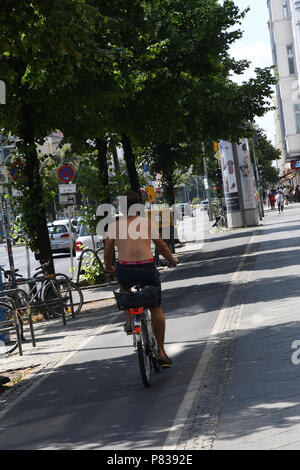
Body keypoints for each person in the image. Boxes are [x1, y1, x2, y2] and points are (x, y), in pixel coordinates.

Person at [104, 191, 178, 368]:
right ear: (139, 208)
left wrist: (108, 268)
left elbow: (107, 253)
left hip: (125, 270)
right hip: (146, 269)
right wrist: (172, 260)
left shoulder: (114, 227)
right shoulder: (146, 224)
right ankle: (161, 352)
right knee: (156, 307)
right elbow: (161, 246)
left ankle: (129, 322)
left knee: (124, 288)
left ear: (121, 209)